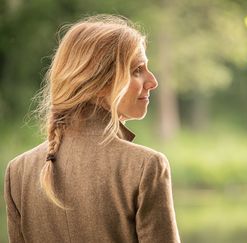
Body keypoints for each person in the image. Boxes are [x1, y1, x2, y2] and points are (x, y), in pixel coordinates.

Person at [4, 15, 180, 243]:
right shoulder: (146, 166)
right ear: (99, 82)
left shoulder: (18, 171)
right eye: (137, 69)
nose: (152, 81)